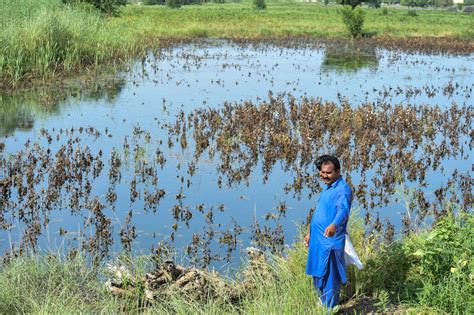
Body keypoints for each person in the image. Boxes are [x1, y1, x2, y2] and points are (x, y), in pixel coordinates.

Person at [304, 155, 353, 309]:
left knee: (330, 275)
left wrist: (334, 225)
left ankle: (330, 308)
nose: (324, 175)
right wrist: (310, 233)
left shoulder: (342, 189)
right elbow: (320, 212)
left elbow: (343, 211)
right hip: (318, 240)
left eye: (328, 172)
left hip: (330, 242)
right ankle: (323, 303)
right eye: (322, 172)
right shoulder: (328, 188)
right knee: (318, 272)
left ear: (338, 171)